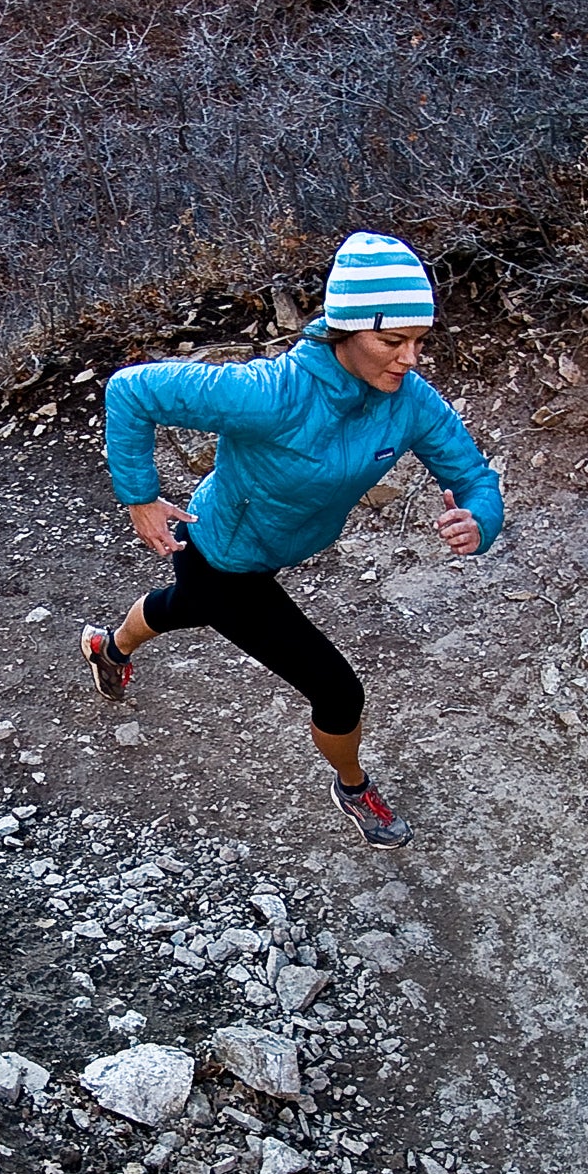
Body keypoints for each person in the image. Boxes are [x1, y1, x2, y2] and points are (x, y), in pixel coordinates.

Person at [81, 231, 504, 848]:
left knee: (185, 607)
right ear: (345, 329)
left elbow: (473, 478)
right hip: (223, 554)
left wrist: (477, 519)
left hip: (263, 550)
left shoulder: (409, 402)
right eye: (392, 341)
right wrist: (140, 498)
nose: (410, 358)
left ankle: (108, 648)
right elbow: (130, 392)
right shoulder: (270, 393)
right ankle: (353, 787)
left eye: (419, 341)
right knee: (336, 688)